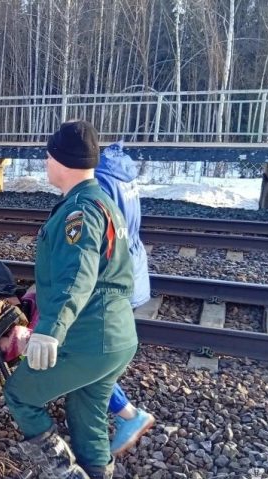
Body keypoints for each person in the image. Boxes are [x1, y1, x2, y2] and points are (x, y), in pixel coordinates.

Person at [4, 120, 138, 479]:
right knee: (87, 413)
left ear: (60, 160)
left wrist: (51, 330)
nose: (45, 162)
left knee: (21, 393)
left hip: (88, 335)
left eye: (48, 155)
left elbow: (78, 274)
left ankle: (64, 478)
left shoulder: (79, 211)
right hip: (115, 338)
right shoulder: (100, 200)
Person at [96, 142, 155, 456]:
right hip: (134, 265)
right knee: (101, 354)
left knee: (89, 357)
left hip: (117, 275)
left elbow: (101, 234)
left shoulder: (99, 178)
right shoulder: (120, 169)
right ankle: (119, 409)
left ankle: (127, 414)